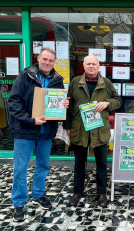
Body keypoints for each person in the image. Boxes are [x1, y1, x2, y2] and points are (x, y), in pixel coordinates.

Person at [8, 48, 69, 222]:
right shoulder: (25, 76)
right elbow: (13, 102)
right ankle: (19, 204)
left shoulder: (58, 80)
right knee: (20, 168)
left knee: (43, 166)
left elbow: (57, 104)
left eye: (51, 60)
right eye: (45, 59)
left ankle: (38, 195)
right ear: (38, 58)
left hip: (45, 132)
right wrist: (31, 120)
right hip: (25, 130)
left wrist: (63, 104)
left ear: (54, 62)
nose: (47, 63)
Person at [63, 55, 121, 208]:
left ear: (98, 66)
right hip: (79, 129)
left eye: (93, 64)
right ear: (83, 65)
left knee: (101, 164)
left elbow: (118, 101)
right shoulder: (75, 82)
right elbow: (68, 105)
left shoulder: (106, 83)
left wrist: (107, 103)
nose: (91, 66)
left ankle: (102, 193)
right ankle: (77, 192)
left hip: (99, 130)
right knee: (79, 164)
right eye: (88, 64)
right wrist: (67, 127)